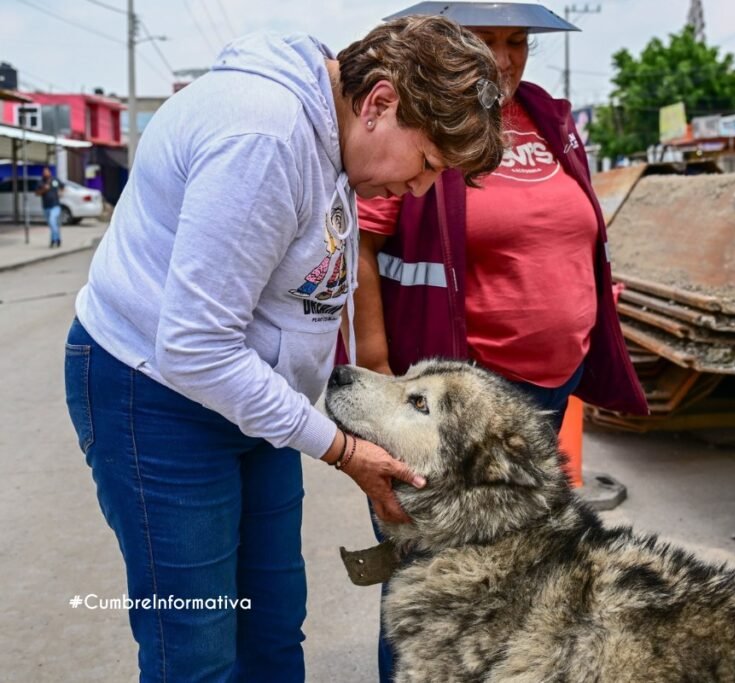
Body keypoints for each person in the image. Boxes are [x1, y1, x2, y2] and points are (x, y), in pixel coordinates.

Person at [63, 16, 503, 682]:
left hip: (247, 399)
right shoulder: (263, 137)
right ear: (380, 103)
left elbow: (314, 287)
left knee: (271, 630)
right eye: (428, 164)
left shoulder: (332, 137)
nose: (418, 190)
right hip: (154, 396)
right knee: (198, 649)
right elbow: (195, 347)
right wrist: (343, 448)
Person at [353, 3, 649, 680]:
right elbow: (360, 248)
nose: (506, 58)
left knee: (521, 575)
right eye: (485, 41)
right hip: (464, 402)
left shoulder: (547, 116)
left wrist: (586, 291)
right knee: (429, 575)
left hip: (552, 391)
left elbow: (570, 230)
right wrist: (377, 370)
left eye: (516, 41)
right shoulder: (420, 118)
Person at [35, 166, 63, 247]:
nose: (45, 173)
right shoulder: (40, 182)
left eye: (47, 172)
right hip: (46, 207)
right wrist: (44, 189)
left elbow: (62, 187)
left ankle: (53, 240)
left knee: (52, 221)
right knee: (53, 225)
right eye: (44, 172)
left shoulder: (55, 180)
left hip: (56, 205)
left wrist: (61, 192)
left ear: (50, 172)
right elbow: (37, 193)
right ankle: (57, 239)